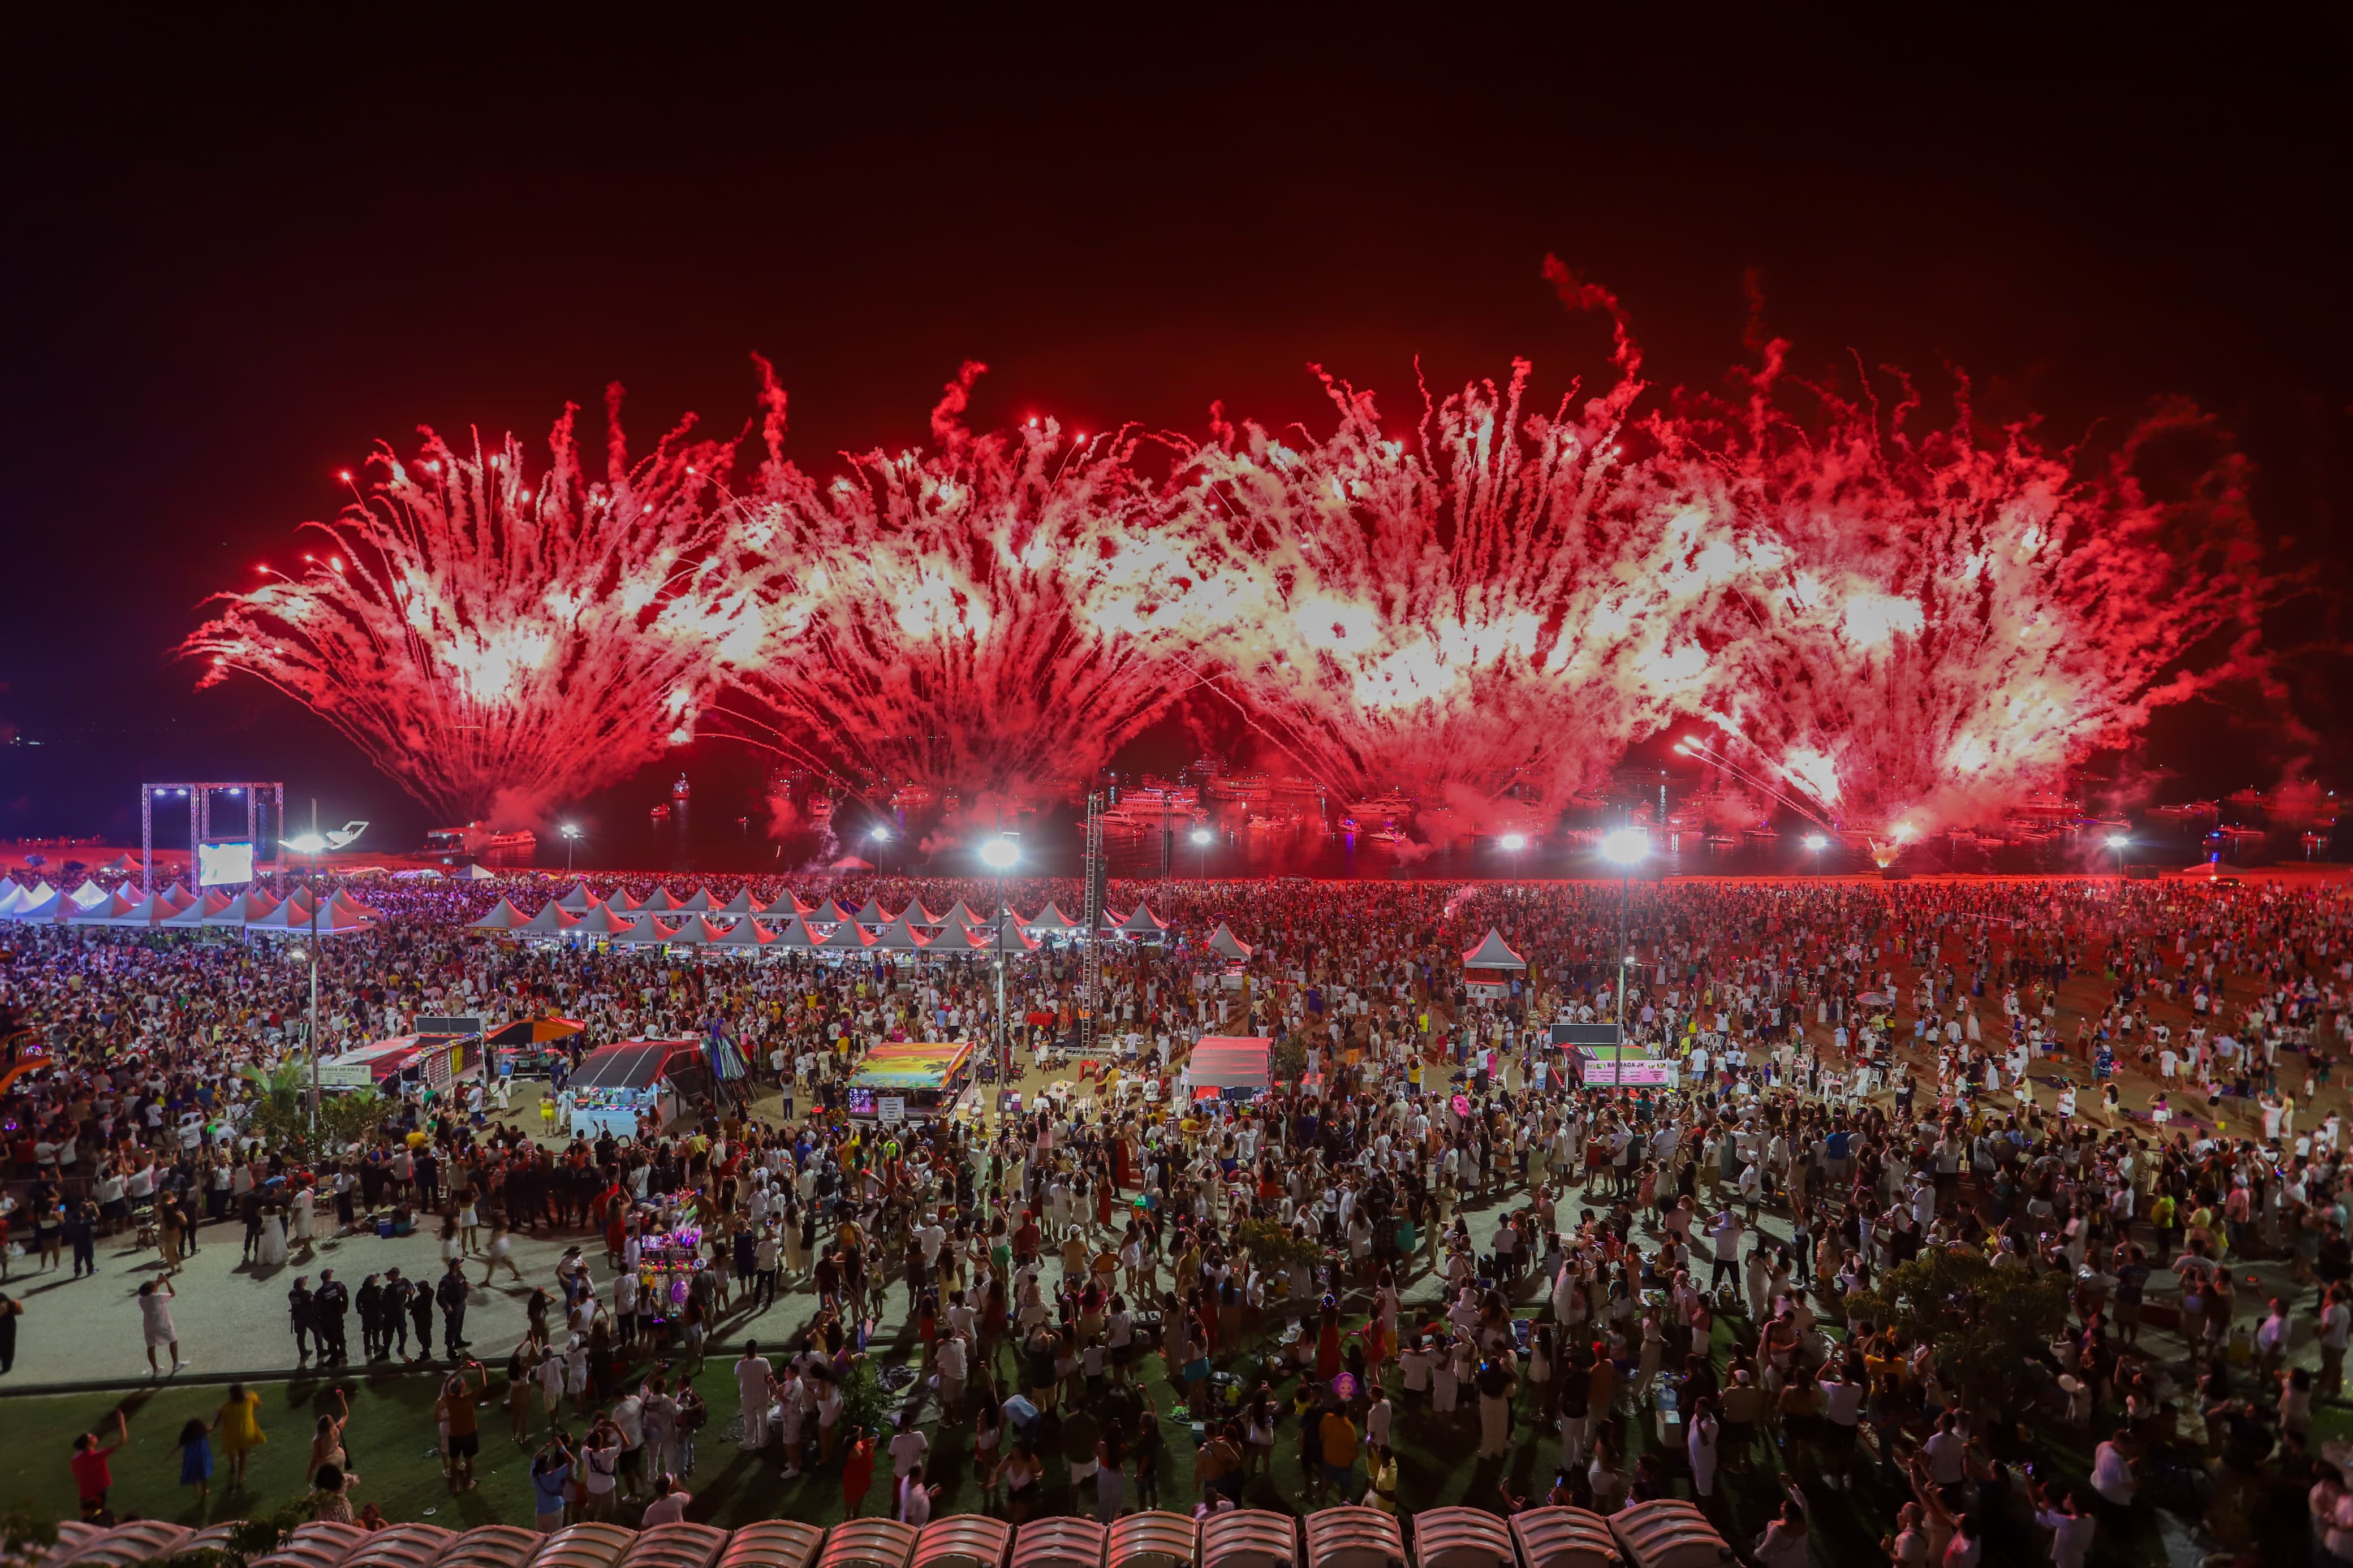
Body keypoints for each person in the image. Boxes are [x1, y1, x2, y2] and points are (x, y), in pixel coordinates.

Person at [436, 1360, 490, 1492]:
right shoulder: (468, 1399)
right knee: (469, 1460)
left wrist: (461, 1369)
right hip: (469, 1433)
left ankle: (455, 1487)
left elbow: (447, 1382)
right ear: (463, 1387)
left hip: (454, 1435)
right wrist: (481, 1368)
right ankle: (467, 1483)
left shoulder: (449, 1400)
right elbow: (483, 1385)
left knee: (454, 1461)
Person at [70, 1411, 126, 1521]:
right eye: (91, 1437)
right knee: (98, 1519)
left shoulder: (75, 1460)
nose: (94, 1436)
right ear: (87, 1445)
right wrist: (122, 1423)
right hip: (98, 1495)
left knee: (87, 1520)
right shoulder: (96, 1457)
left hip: (84, 1495)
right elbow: (122, 1442)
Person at [213, 1381, 265, 1487]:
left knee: (231, 1449)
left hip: (231, 1434)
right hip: (246, 1433)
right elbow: (259, 1404)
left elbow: (219, 1420)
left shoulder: (226, 1407)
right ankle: (241, 1477)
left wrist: (213, 1427)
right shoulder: (250, 1399)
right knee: (244, 1453)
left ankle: (233, 1466)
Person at [139, 1277, 184, 1375]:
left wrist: (157, 1284)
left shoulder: (141, 1300)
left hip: (148, 1327)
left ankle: (156, 1369)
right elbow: (173, 1293)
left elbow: (151, 1293)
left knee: (151, 1347)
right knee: (173, 1340)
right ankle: (176, 1364)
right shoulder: (158, 1297)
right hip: (161, 1325)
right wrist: (166, 1282)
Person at [529, 1439, 571, 1533]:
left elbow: (535, 1458)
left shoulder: (534, 1475)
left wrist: (546, 1447)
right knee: (554, 1539)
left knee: (542, 1539)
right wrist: (562, 1448)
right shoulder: (554, 1476)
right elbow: (571, 1462)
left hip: (540, 1513)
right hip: (555, 1511)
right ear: (547, 1466)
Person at [173, 1416, 215, 1504]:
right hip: (201, 1457)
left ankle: (196, 1489)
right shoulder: (202, 1433)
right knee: (203, 1475)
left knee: (193, 1474)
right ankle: (204, 1491)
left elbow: (180, 1445)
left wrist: (173, 1451)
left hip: (190, 1458)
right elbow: (210, 1429)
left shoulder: (186, 1437)